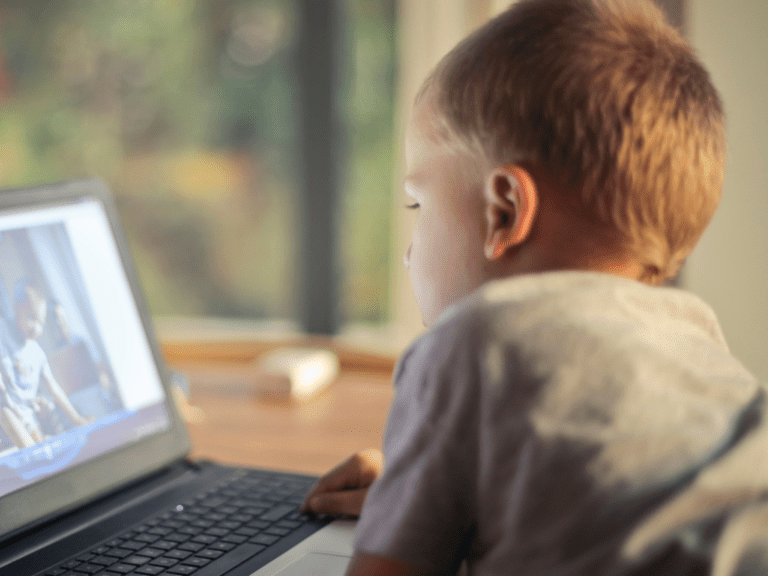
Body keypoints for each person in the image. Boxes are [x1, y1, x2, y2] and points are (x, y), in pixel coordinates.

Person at [301, 1, 768, 574]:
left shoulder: (473, 344)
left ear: (504, 211)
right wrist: (423, 502)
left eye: (417, 203)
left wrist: (395, 535)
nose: (407, 250)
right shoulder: (697, 338)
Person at [0, 279, 90, 449]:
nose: (36, 327)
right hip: (6, 407)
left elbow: (53, 387)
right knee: (28, 445)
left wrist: (76, 418)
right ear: (17, 309)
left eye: (41, 322)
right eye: (31, 317)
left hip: (30, 414)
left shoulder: (38, 354)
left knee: (44, 448)